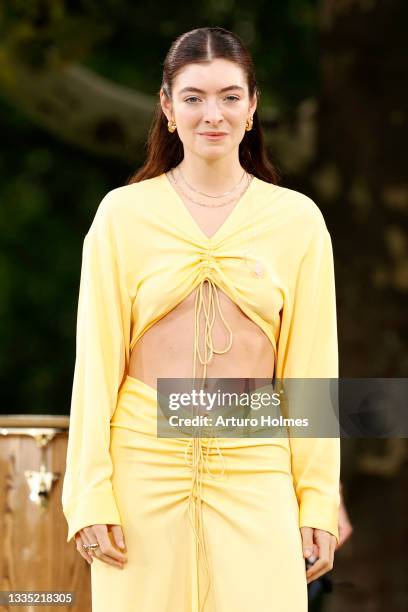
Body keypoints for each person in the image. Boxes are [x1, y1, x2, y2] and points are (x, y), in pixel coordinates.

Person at [61, 26, 341, 612]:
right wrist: (89, 495)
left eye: (229, 96)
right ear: (167, 107)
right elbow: (95, 365)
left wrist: (317, 499)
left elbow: (312, 372)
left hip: (255, 469)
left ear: (252, 106)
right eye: (193, 97)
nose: (212, 114)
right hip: (141, 469)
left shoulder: (298, 221)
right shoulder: (122, 215)